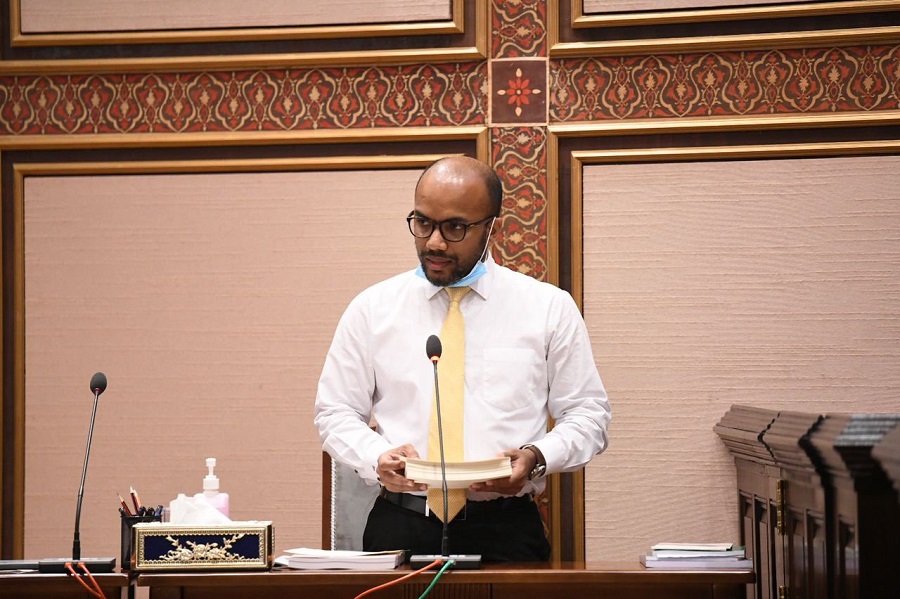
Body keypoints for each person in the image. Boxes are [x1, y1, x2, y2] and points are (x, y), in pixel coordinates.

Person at [314, 156, 610, 562]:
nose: (434, 242)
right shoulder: (372, 308)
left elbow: (589, 415)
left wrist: (536, 458)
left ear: (492, 228)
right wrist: (374, 457)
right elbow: (335, 412)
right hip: (400, 525)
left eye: (455, 227)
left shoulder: (547, 308)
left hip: (506, 529)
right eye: (423, 223)